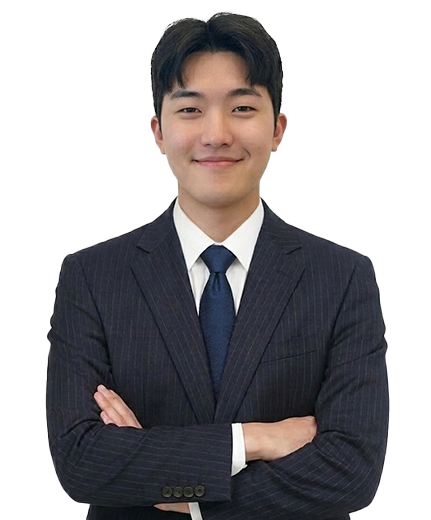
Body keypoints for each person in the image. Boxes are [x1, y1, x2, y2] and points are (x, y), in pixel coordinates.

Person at [46, 11, 389, 520]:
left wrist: (180, 491)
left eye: (242, 107)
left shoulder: (341, 278)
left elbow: (352, 470)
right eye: (190, 110)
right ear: (158, 131)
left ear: (277, 128)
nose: (216, 133)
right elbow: (81, 460)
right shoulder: (93, 278)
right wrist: (254, 440)